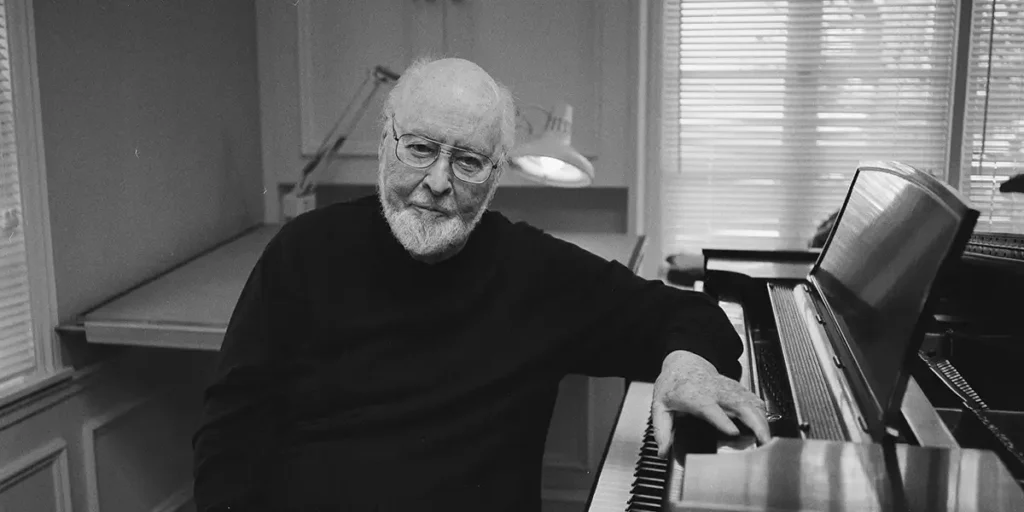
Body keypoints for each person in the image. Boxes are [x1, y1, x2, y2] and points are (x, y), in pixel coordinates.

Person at [192, 57, 769, 512]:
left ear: (496, 174)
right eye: (420, 149)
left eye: (468, 160)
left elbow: (695, 318)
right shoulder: (303, 250)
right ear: (387, 141)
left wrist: (687, 364)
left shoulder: (534, 272)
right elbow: (232, 428)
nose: (438, 181)